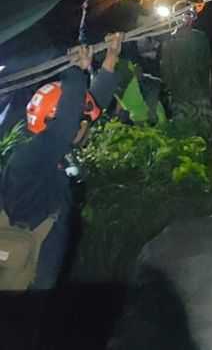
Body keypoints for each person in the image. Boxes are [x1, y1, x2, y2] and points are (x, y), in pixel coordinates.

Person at [0, 34, 122, 290]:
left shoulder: (44, 148)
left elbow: (90, 106)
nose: (87, 127)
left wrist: (111, 57)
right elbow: (69, 121)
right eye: (82, 122)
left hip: (38, 265)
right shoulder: (32, 158)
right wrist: (74, 70)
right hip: (25, 276)